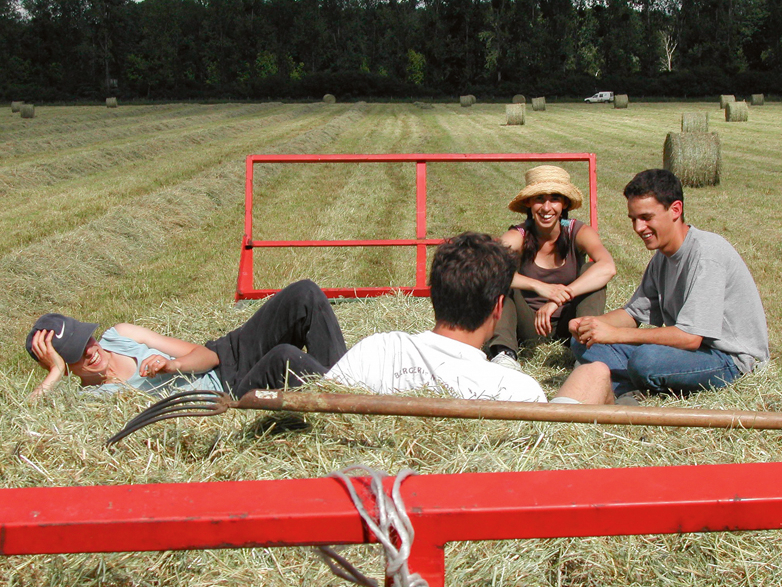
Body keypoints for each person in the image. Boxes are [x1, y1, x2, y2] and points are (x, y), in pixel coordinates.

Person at [326, 232, 613, 404]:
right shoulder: (518, 390)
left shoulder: (375, 351)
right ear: (498, 309)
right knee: (595, 372)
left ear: (433, 296)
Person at [569, 169, 769, 403]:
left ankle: (621, 383)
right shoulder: (662, 258)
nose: (638, 228)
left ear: (675, 210)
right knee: (583, 342)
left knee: (647, 360)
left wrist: (614, 334)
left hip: (729, 358)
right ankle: (627, 387)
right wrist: (590, 324)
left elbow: (690, 337)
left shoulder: (707, 255)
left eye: (646, 217)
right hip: (686, 352)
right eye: (633, 219)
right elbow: (633, 313)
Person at [26, 279, 347, 401]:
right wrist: (53, 373)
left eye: (87, 340)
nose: (90, 351)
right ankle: (346, 406)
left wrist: (172, 365)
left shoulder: (120, 335)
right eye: (76, 355)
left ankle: (346, 387)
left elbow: (207, 356)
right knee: (284, 358)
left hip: (228, 355)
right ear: (65, 367)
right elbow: (27, 419)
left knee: (303, 293)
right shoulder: (92, 399)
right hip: (229, 395)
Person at [486, 165, 616, 372]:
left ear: (564, 203)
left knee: (592, 271)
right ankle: (504, 354)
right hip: (528, 324)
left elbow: (608, 267)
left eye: (554, 198)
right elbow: (487, 268)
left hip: (571, 323)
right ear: (528, 202)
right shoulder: (519, 234)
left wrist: (558, 298)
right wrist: (538, 286)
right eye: (539, 199)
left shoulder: (577, 230)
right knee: (500, 279)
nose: (547, 208)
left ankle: (586, 352)